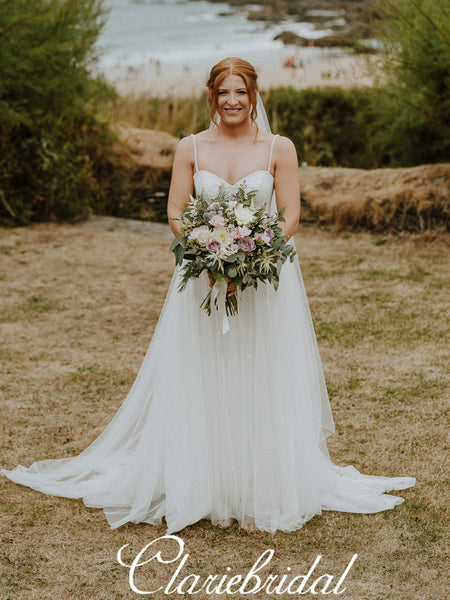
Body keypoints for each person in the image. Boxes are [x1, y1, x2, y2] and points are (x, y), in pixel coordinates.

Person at [1, 57, 415, 534]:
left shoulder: (279, 147)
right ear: (212, 97)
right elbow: (176, 211)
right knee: (203, 371)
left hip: (264, 282)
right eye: (224, 93)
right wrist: (208, 250)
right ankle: (205, 484)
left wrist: (253, 253)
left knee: (261, 371)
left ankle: (263, 485)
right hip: (203, 280)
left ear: (254, 94)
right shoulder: (190, 148)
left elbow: (290, 213)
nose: (232, 101)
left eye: (241, 91)